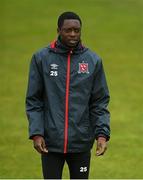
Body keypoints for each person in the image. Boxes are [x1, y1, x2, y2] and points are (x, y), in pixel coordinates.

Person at [26, 11, 110, 179]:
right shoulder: (41, 58)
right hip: (50, 143)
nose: (73, 34)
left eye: (76, 30)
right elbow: (34, 100)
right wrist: (37, 133)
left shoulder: (93, 61)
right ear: (58, 31)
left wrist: (102, 134)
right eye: (68, 30)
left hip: (81, 142)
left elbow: (99, 102)